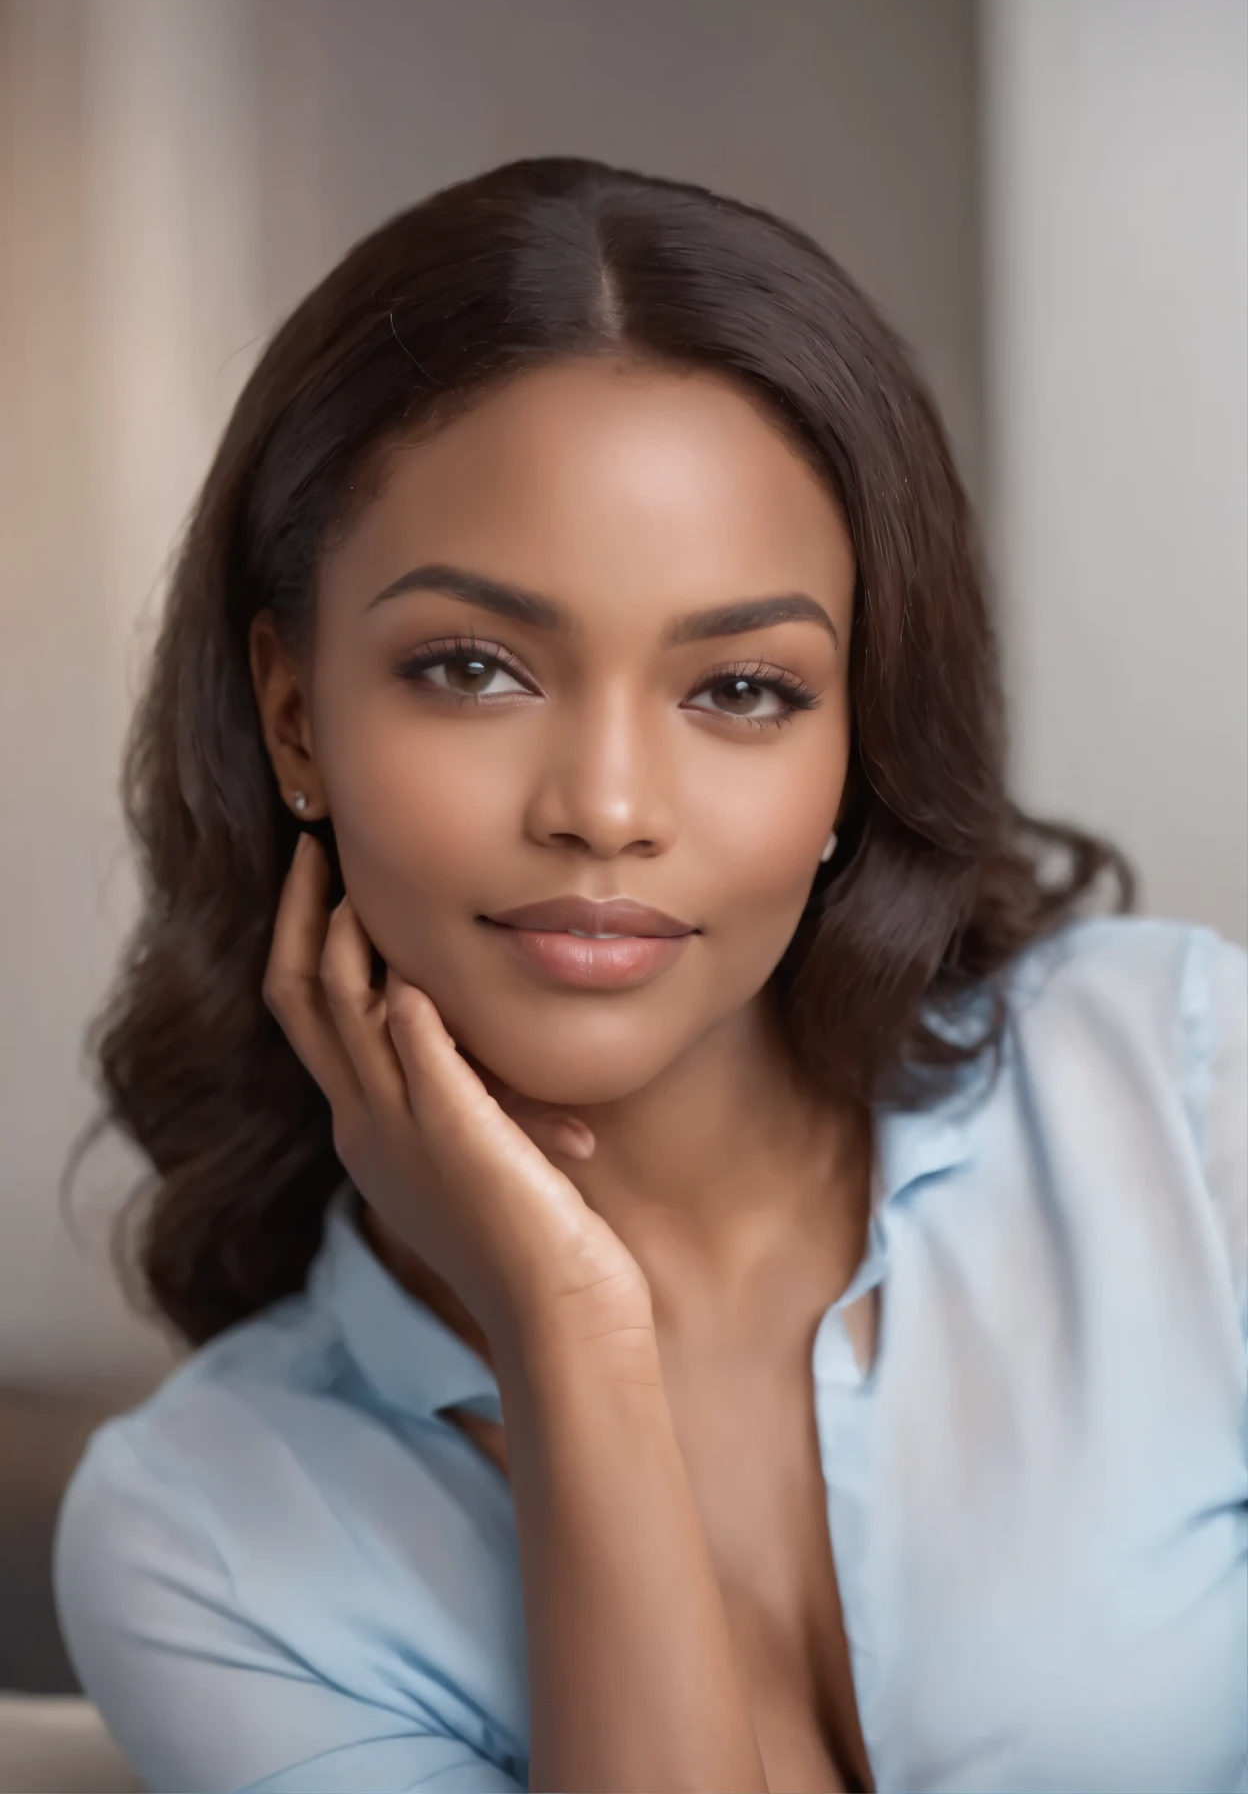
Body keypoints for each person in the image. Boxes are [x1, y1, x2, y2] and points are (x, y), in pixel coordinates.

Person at [53, 156, 1245, 1794]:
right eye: (471, 668)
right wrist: (568, 1339)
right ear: (292, 716)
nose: (605, 807)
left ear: (857, 738)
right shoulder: (208, 1537)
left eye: (743, 689)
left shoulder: (1184, 1100)